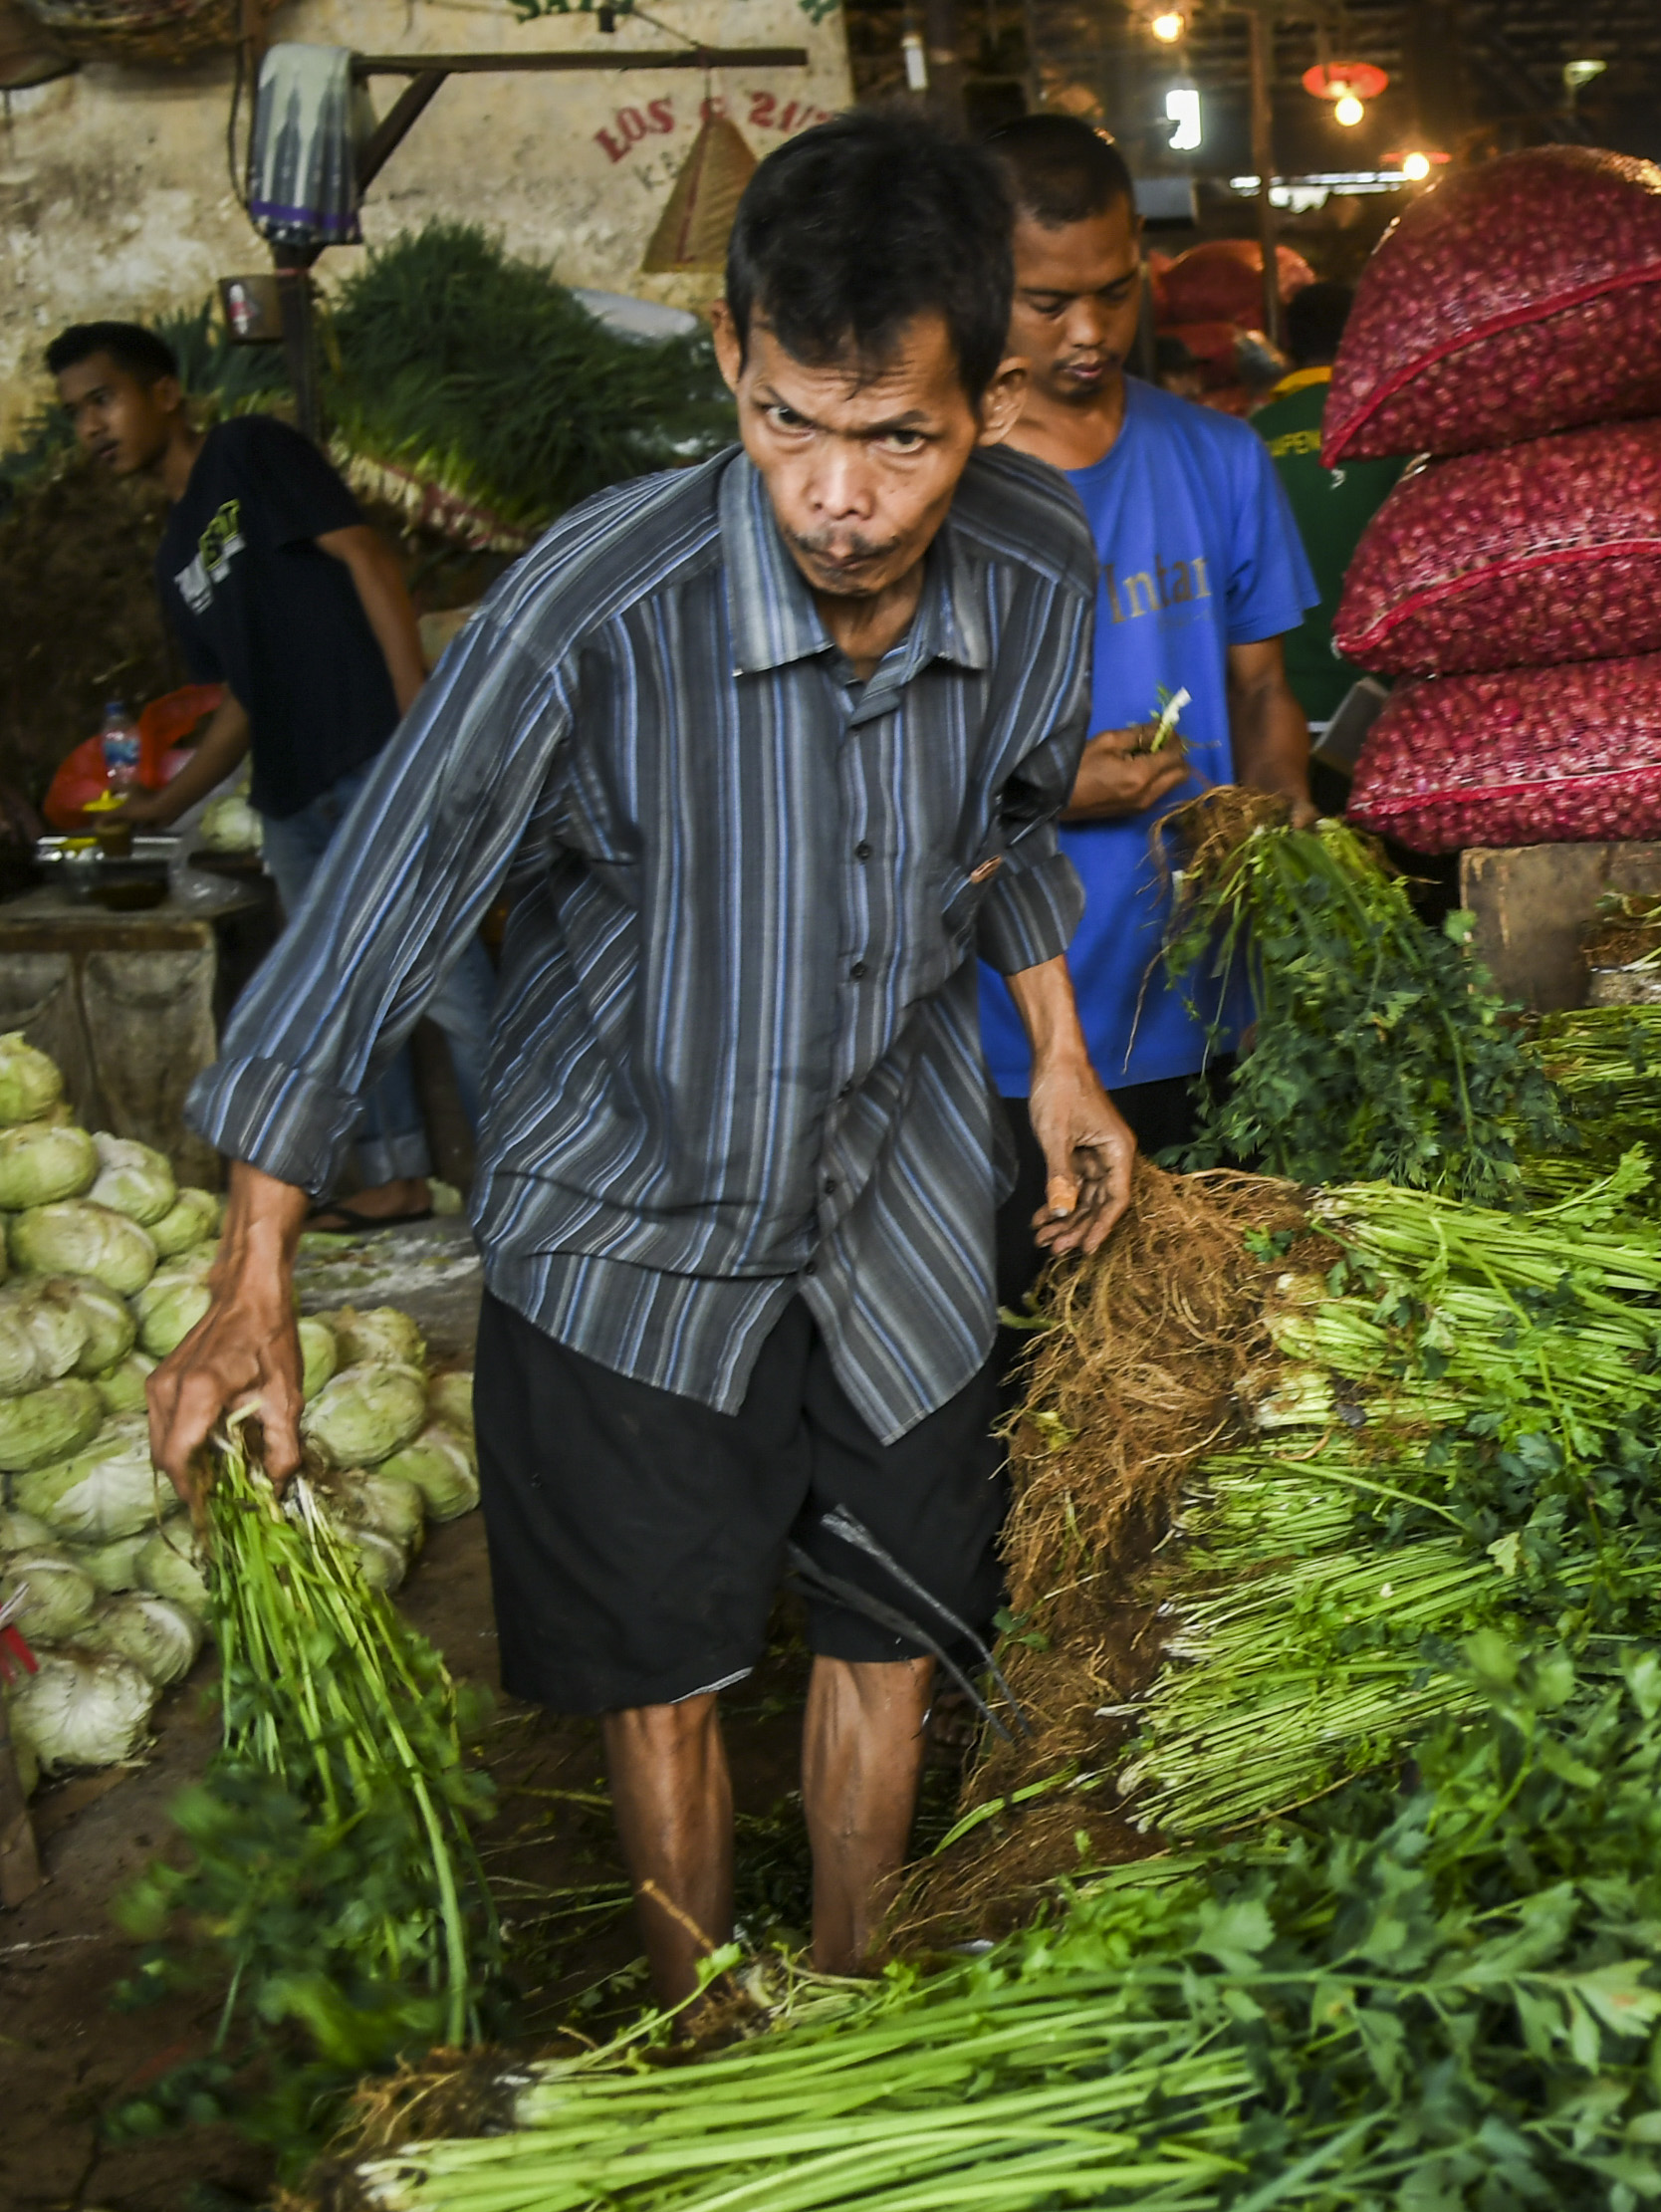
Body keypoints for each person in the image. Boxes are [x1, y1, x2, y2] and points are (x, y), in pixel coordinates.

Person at [148, 111, 1137, 1997]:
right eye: (789, 422)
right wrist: (251, 1264)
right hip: (631, 1204)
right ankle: (700, 2014)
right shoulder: (593, 609)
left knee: (891, 1631)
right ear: (728, 365)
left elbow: (1004, 824)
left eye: (900, 438)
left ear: (986, 396)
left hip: (904, 1194)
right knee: (664, 1665)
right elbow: (379, 905)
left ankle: (841, 1993)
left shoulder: (1040, 561)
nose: (836, 495)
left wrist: (1059, 1056)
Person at [50, 319, 491, 1229]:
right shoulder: (177, 559)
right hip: (289, 799)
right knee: (337, 1002)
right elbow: (243, 698)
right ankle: (391, 1178)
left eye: (104, 399)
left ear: (163, 392)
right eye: (75, 414)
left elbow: (365, 553)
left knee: (449, 981)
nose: (91, 427)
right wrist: (161, 806)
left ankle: (534, 1187)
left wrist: (421, 717)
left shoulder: (250, 453)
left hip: (373, 756)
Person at [979, 113, 1316, 1296]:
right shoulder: (943, 487)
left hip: (1207, 1002)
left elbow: (1264, 692)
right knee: (1046, 1354)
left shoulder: (1219, 459)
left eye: (1115, 294)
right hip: (1009, 1031)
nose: (1088, 332)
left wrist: (1299, 900)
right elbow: (879, 757)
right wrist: (1054, 785)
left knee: (1220, 1336)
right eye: (1045, 300)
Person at [1247, 277, 1404, 748]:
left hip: (1279, 707)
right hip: (1384, 699)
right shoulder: (1393, 427)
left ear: (1289, 344)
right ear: (1363, 336)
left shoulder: (1250, 437)